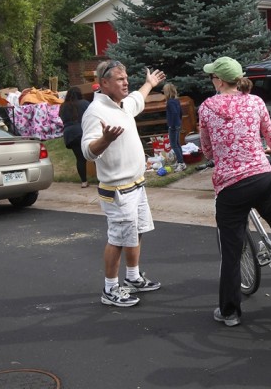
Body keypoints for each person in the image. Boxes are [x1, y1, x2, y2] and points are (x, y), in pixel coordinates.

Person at [198, 56, 271, 327]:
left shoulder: (207, 107)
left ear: (220, 81)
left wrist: (222, 151)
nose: (211, 80)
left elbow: (207, 149)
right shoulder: (256, 102)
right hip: (262, 177)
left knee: (232, 251)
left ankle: (230, 311)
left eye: (212, 77)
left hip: (231, 186)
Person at [81, 59, 166, 308]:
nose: (126, 81)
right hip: (117, 190)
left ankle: (132, 277)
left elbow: (138, 98)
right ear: (104, 83)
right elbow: (87, 151)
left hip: (136, 185)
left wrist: (149, 83)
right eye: (120, 79)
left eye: (126, 77)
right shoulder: (95, 112)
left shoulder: (122, 105)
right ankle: (110, 289)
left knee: (136, 232)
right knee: (117, 238)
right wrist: (105, 140)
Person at [59, 87, 90, 188]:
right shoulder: (85, 103)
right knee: (94, 156)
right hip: (83, 131)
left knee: (80, 158)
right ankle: (100, 180)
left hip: (70, 134)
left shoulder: (63, 106)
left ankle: (84, 182)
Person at [163, 82, 186, 172]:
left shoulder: (169, 102)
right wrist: (179, 122)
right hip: (177, 124)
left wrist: (172, 125)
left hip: (173, 125)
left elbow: (175, 113)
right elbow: (180, 112)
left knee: (173, 145)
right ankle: (180, 161)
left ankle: (181, 163)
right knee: (177, 144)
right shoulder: (176, 100)